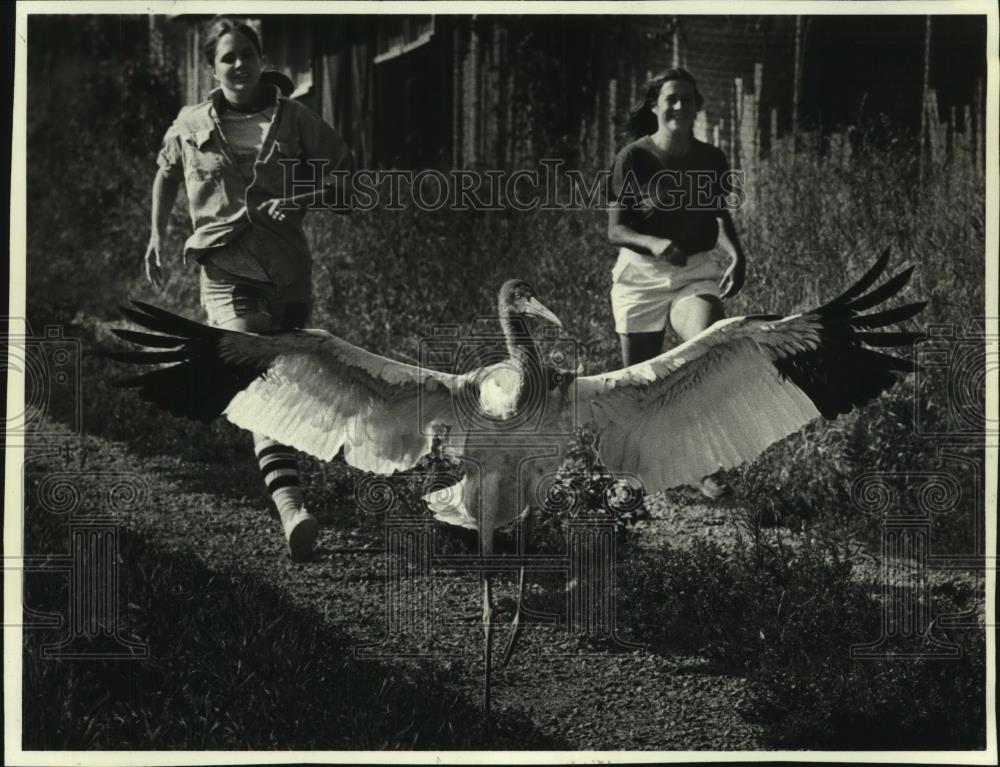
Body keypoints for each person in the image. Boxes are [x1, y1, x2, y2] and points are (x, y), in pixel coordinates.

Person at [144, 18, 353, 559]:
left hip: (287, 272)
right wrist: (156, 236)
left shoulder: (296, 119)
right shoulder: (191, 122)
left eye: (247, 55)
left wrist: (304, 195)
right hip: (225, 269)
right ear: (213, 69)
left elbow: (348, 176)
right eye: (227, 58)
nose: (239, 66)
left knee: (286, 385)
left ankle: (307, 487)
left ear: (262, 60)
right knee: (257, 379)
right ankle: (292, 508)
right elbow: (167, 171)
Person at [607, 68, 747, 500]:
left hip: (693, 272)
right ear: (655, 105)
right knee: (640, 384)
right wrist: (653, 241)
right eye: (672, 99)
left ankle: (708, 467)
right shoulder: (633, 158)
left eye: (688, 99)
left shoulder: (711, 159)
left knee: (708, 348)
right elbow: (615, 230)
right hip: (641, 276)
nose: (680, 107)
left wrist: (737, 254)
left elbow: (719, 216)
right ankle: (634, 475)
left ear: (697, 106)